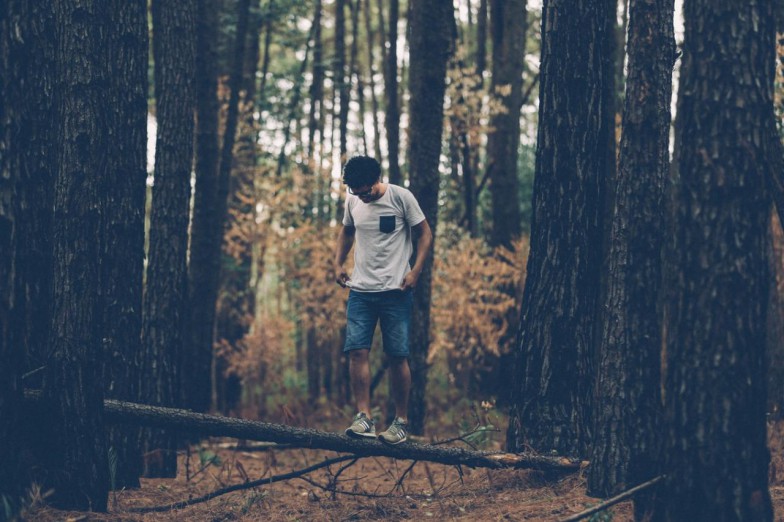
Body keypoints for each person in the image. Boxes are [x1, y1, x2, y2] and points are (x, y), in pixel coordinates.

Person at [333, 155, 433, 445]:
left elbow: (425, 233)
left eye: (365, 190)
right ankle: (363, 417)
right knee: (356, 351)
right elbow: (347, 231)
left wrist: (416, 271)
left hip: (395, 292)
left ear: (377, 180)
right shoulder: (352, 201)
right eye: (355, 191)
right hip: (361, 291)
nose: (360, 196)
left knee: (397, 356)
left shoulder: (401, 197)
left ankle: (400, 421)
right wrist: (337, 263)